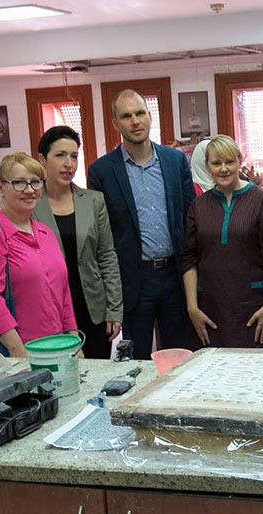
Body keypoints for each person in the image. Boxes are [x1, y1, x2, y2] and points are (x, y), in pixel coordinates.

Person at [88, 89, 196, 359]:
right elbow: (104, 236)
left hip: (174, 276)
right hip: (135, 280)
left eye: (139, 113)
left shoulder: (175, 161)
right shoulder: (101, 171)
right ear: (115, 124)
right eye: (126, 116)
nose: (135, 121)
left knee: (178, 357)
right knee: (137, 361)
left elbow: (189, 219)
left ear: (149, 116)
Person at [181, 136, 263, 348]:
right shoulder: (199, 205)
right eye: (216, 163)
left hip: (254, 307)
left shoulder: (259, 200)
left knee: (253, 372)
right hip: (210, 309)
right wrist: (192, 307)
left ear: (239, 161)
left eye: (229, 162)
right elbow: (189, 258)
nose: (223, 169)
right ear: (207, 166)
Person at [0, 153, 77, 357]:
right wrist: (21, 354)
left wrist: (74, 343)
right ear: (1, 187)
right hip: (17, 353)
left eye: (35, 182)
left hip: (58, 347)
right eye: (18, 183)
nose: (29, 190)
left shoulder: (45, 232)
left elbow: (64, 294)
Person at [32, 126, 124, 359]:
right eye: (60, 155)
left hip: (92, 307)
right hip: (49, 307)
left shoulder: (93, 200)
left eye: (74, 156)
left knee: (95, 376)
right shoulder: (31, 204)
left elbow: (106, 255)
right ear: (42, 159)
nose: (69, 163)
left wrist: (114, 309)